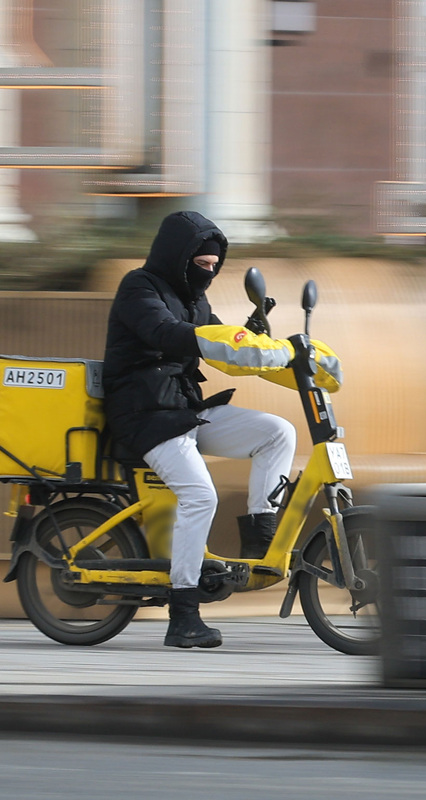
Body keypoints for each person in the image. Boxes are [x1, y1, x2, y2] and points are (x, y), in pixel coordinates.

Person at [102, 210, 300, 649]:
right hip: (144, 413)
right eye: (201, 265)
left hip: (183, 409)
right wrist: (217, 336)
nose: (207, 274)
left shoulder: (194, 298)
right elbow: (165, 332)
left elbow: (211, 343)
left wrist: (249, 336)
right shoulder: (139, 286)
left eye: (214, 267)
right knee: (200, 495)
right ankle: (183, 613)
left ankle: (259, 539)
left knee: (277, 432)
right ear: (178, 256)